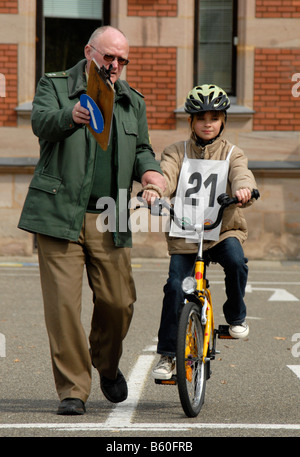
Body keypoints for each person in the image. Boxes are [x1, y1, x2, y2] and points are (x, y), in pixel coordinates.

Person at [18, 26, 166, 414]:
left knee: (119, 303)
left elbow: (144, 148)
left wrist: (151, 173)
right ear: (89, 52)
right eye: (108, 57)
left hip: (111, 215)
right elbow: (41, 122)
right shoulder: (55, 85)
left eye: (122, 60)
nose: (115, 65)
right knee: (63, 307)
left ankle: (106, 363)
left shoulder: (132, 101)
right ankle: (73, 390)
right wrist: (73, 114)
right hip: (59, 213)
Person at [142, 84, 258, 380]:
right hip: (186, 233)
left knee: (235, 260)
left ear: (223, 122)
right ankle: (168, 355)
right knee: (174, 288)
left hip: (222, 230)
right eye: (201, 117)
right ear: (191, 121)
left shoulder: (233, 152)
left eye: (215, 117)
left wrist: (244, 188)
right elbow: (164, 175)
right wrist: (154, 190)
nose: (208, 123)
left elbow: (240, 173)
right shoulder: (176, 151)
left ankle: (235, 315)